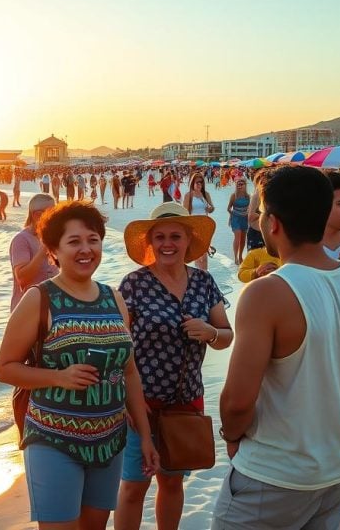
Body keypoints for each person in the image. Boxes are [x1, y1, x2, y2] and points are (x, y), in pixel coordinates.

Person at [214, 167, 340, 529]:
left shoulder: (269, 291)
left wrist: (232, 436)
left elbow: (238, 399)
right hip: (335, 466)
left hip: (275, 470)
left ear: (273, 222)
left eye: (261, 214)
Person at [0, 200, 158, 530]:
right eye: (74, 242)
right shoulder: (40, 298)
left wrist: (145, 435)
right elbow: (5, 368)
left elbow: (129, 372)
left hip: (110, 441)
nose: (86, 249)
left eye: (93, 240)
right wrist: (59, 377)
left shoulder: (114, 298)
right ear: (53, 249)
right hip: (54, 439)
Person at [115, 202, 232, 530]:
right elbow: (118, 345)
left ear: (188, 241)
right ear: (150, 243)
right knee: (134, 486)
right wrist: (122, 399)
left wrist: (209, 332)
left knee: (172, 482)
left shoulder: (204, 282)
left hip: (185, 402)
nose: (168, 243)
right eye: (161, 237)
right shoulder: (134, 283)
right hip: (141, 403)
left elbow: (226, 336)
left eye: (176, 236)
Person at [9, 194, 57, 310]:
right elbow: (22, 278)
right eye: (53, 213)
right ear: (37, 215)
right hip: (26, 312)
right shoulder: (21, 240)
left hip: (50, 310)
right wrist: (43, 250)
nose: (56, 217)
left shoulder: (54, 237)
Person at [182, 173, 215, 271]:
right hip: (193, 226)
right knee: (197, 254)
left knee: (203, 254)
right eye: (197, 182)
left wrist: (210, 208)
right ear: (192, 183)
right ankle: (201, 274)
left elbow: (212, 208)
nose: (199, 184)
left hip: (204, 226)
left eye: (201, 182)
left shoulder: (205, 194)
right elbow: (185, 212)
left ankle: (204, 274)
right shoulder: (189, 195)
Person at [227, 178, 250, 264]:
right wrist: (233, 214)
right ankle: (236, 257)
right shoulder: (234, 196)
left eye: (242, 184)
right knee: (237, 237)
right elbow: (228, 208)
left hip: (245, 218)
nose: (240, 186)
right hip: (236, 218)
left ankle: (240, 256)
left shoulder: (248, 196)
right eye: (238, 184)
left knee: (243, 239)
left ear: (245, 185)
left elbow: (250, 208)